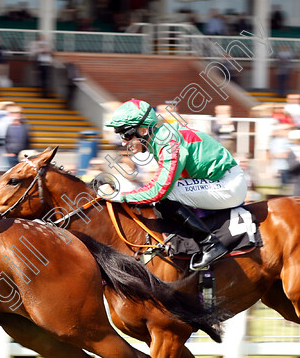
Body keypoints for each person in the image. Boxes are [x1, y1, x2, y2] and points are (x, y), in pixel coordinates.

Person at [105, 99, 248, 271]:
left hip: (228, 184)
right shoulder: (160, 138)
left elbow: (159, 190)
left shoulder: (168, 143)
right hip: (218, 181)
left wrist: (119, 196)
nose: (123, 142)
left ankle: (210, 244)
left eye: (126, 135)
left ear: (143, 130)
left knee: (166, 196)